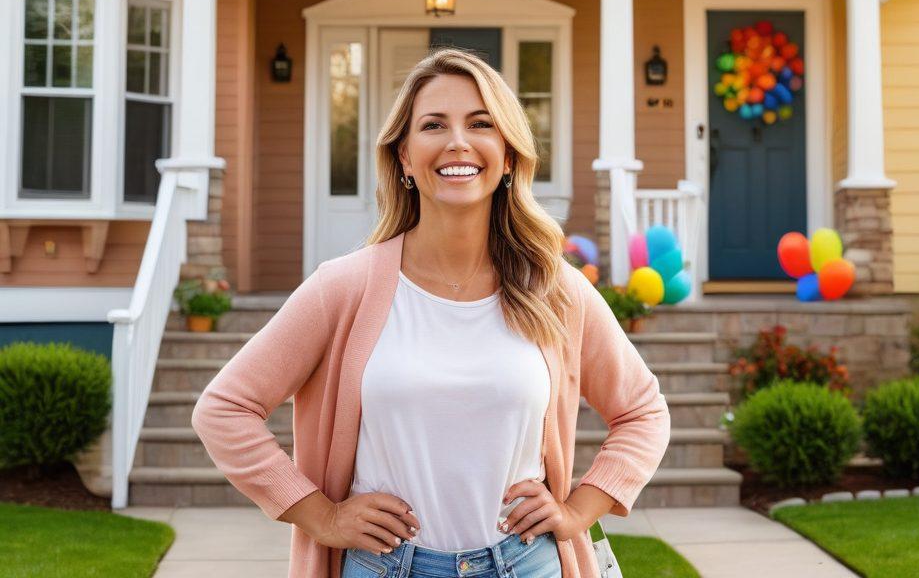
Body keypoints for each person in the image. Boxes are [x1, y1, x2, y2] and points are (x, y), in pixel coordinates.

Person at [192, 47, 671, 578]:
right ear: (403, 156)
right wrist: (321, 517)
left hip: (526, 563)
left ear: (508, 155)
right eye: (434, 125)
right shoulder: (344, 287)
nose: (457, 142)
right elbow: (224, 409)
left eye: (480, 123)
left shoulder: (553, 289)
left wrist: (581, 507)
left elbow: (643, 412)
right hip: (385, 567)